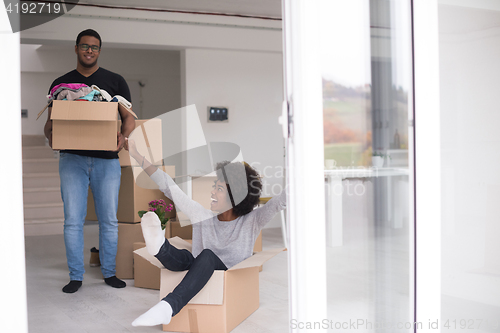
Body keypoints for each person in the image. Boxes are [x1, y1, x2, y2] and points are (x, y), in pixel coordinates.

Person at [125, 138, 286, 326]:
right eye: (214, 187)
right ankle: (159, 247)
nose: (212, 192)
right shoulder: (202, 215)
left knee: (206, 256)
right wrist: (136, 154)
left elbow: (279, 202)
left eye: (218, 189)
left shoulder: (251, 221)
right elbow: (169, 187)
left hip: (228, 275)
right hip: (197, 269)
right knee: (187, 258)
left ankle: (169, 306)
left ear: (235, 196)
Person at [43, 29, 136, 293]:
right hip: (71, 159)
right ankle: (75, 276)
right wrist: (52, 136)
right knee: (73, 220)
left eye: (94, 47)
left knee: (109, 219)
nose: (89, 51)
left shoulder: (114, 81)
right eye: (84, 46)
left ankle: (109, 272)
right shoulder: (61, 84)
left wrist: (123, 136)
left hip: (107, 160)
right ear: (76, 48)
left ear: (99, 51)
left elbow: (128, 118)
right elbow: (50, 124)